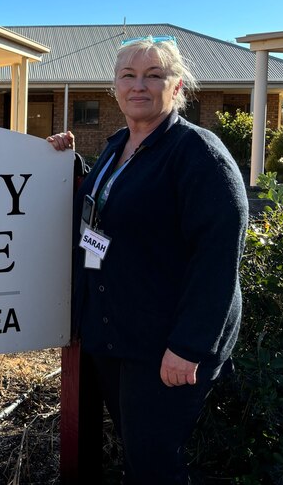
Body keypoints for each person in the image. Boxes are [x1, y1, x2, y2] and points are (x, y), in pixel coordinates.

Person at [47, 35, 248, 483]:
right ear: (115, 88)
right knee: (138, 456)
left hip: (165, 347)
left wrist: (188, 347)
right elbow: (105, 213)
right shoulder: (119, 147)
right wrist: (62, 163)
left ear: (176, 88)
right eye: (129, 75)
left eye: (154, 76)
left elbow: (217, 257)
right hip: (114, 335)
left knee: (154, 464)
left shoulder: (198, 154)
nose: (140, 85)